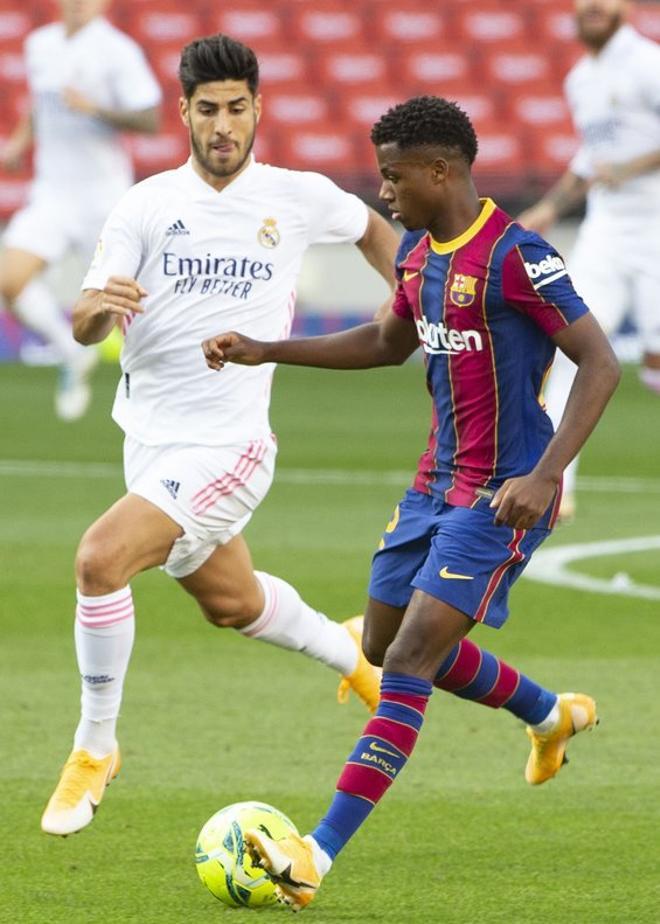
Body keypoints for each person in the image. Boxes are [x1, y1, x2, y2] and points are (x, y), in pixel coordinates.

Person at [201, 95, 621, 911]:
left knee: (405, 665)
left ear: (442, 170)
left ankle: (315, 853)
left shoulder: (517, 256)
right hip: (432, 482)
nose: (384, 193)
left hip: (503, 494)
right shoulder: (420, 256)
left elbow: (598, 362)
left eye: (394, 177)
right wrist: (265, 352)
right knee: (395, 639)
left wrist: (547, 476)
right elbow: (388, 344)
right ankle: (550, 715)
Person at [39, 33, 399, 838]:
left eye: (238, 108)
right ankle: (354, 655)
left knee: (100, 560)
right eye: (209, 110)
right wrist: (101, 308)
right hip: (151, 441)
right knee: (233, 605)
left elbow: (375, 229)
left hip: (230, 446)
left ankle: (95, 748)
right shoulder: (145, 204)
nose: (224, 125)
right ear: (184, 114)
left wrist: (411, 294)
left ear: (258, 108)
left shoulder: (295, 195)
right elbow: (83, 315)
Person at [518, 0, 660, 519]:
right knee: (568, 345)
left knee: (656, 367)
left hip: (657, 226)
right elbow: (588, 160)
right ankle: (556, 487)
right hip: (606, 229)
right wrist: (549, 208)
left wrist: (634, 165)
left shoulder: (649, 64)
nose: (594, 6)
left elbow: (619, 160)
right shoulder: (582, 78)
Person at [0, 0, 161, 420]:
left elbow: (151, 118)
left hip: (103, 197)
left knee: (132, 302)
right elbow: (41, 101)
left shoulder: (118, 50)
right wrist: (20, 142)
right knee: (10, 280)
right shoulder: (41, 44)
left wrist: (96, 109)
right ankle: (71, 352)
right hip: (51, 192)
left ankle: (158, 395)